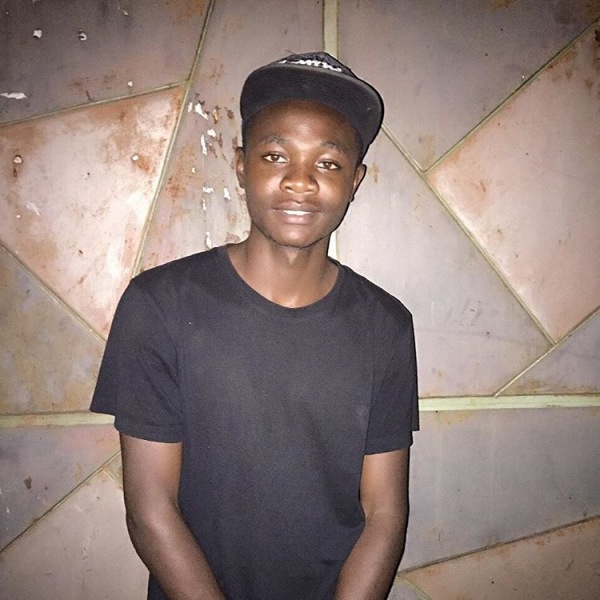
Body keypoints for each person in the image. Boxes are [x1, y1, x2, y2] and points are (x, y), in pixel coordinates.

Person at [91, 51, 419, 600]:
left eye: (328, 163)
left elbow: (385, 512)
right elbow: (151, 508)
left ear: (355, 181)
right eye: (275, 155)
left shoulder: (386, 326)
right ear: (241, 165)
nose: (301, 182)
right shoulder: (160, 306)